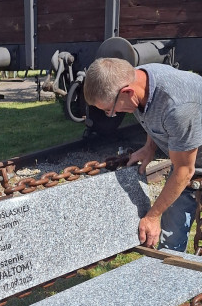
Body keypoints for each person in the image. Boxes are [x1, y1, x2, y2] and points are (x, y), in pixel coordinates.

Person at [84, 57, 202, 251]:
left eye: (110, 110)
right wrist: (149, 147)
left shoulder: (177, 107)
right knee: (170, 245)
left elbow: (184, 170)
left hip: (187, 164)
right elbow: (153, 113)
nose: (112, 115)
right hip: (187, 158)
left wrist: (153, 216)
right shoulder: (137, 78)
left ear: (127, 92)